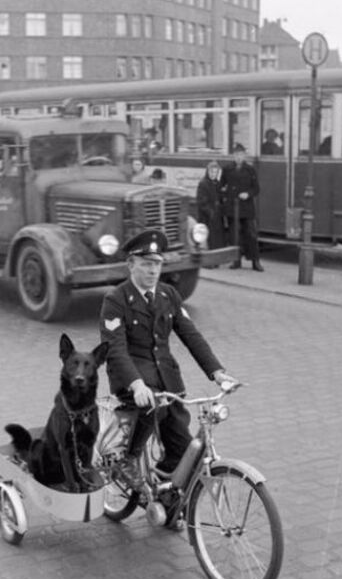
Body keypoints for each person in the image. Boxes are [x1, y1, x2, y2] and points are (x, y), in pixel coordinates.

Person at [99, 229, 238, 486]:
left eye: (157, 264)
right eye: (146, 264)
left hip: (168, 382)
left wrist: (217, 372)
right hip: (134, 381)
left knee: (186, 452)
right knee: (149, 406)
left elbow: (191, 335)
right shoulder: (116, 300)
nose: (153, 271)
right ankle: (128, 459)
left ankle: (168, 498)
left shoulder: (168, 295)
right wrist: (136, 384)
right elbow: (115, 349)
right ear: (131, 265)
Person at [220, 143, 263, 271]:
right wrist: (227, 195)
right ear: (233, 156)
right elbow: (222, 186)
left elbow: (256, 189)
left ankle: (255, 262)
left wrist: (248, 194)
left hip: (247, 207)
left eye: (240, 155)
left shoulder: (250, 170)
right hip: (233, 207)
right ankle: (236, 261)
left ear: (244, 156)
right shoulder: (227, 169)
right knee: (235, 235)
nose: (238, 157)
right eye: (236, 155)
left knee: (251, 234)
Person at [195, 160, 226, 250]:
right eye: (211, 172)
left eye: (215, 172)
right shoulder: (203, 184)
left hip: (217, 217)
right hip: (207, 218)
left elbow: (220, 198)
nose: (213, 174)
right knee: (208, 241)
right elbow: (201, 202)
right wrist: (211, 212)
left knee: (217, 241)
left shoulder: (217, 184)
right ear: (207, 171)